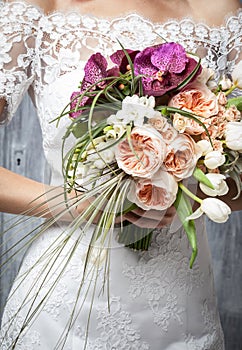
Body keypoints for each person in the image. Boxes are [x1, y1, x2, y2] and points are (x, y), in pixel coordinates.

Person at [0, 0, 241, 349]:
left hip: (179, 306)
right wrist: (78, 204)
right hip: (64, 304)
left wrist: (180, 194)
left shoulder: (217, 10)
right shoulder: (37, 7)